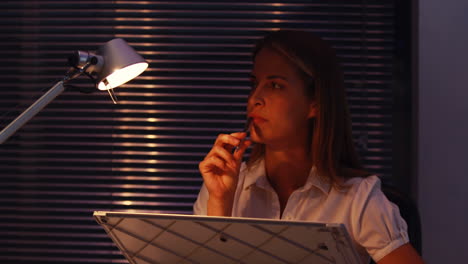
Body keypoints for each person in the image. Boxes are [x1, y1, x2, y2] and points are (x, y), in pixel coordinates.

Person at [193, 30, 423, 264]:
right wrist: (220, 205)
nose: (255, 98)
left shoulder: (357, 199)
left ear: (315, 103)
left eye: (275, 85)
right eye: (254, 84)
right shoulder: (224, 186)